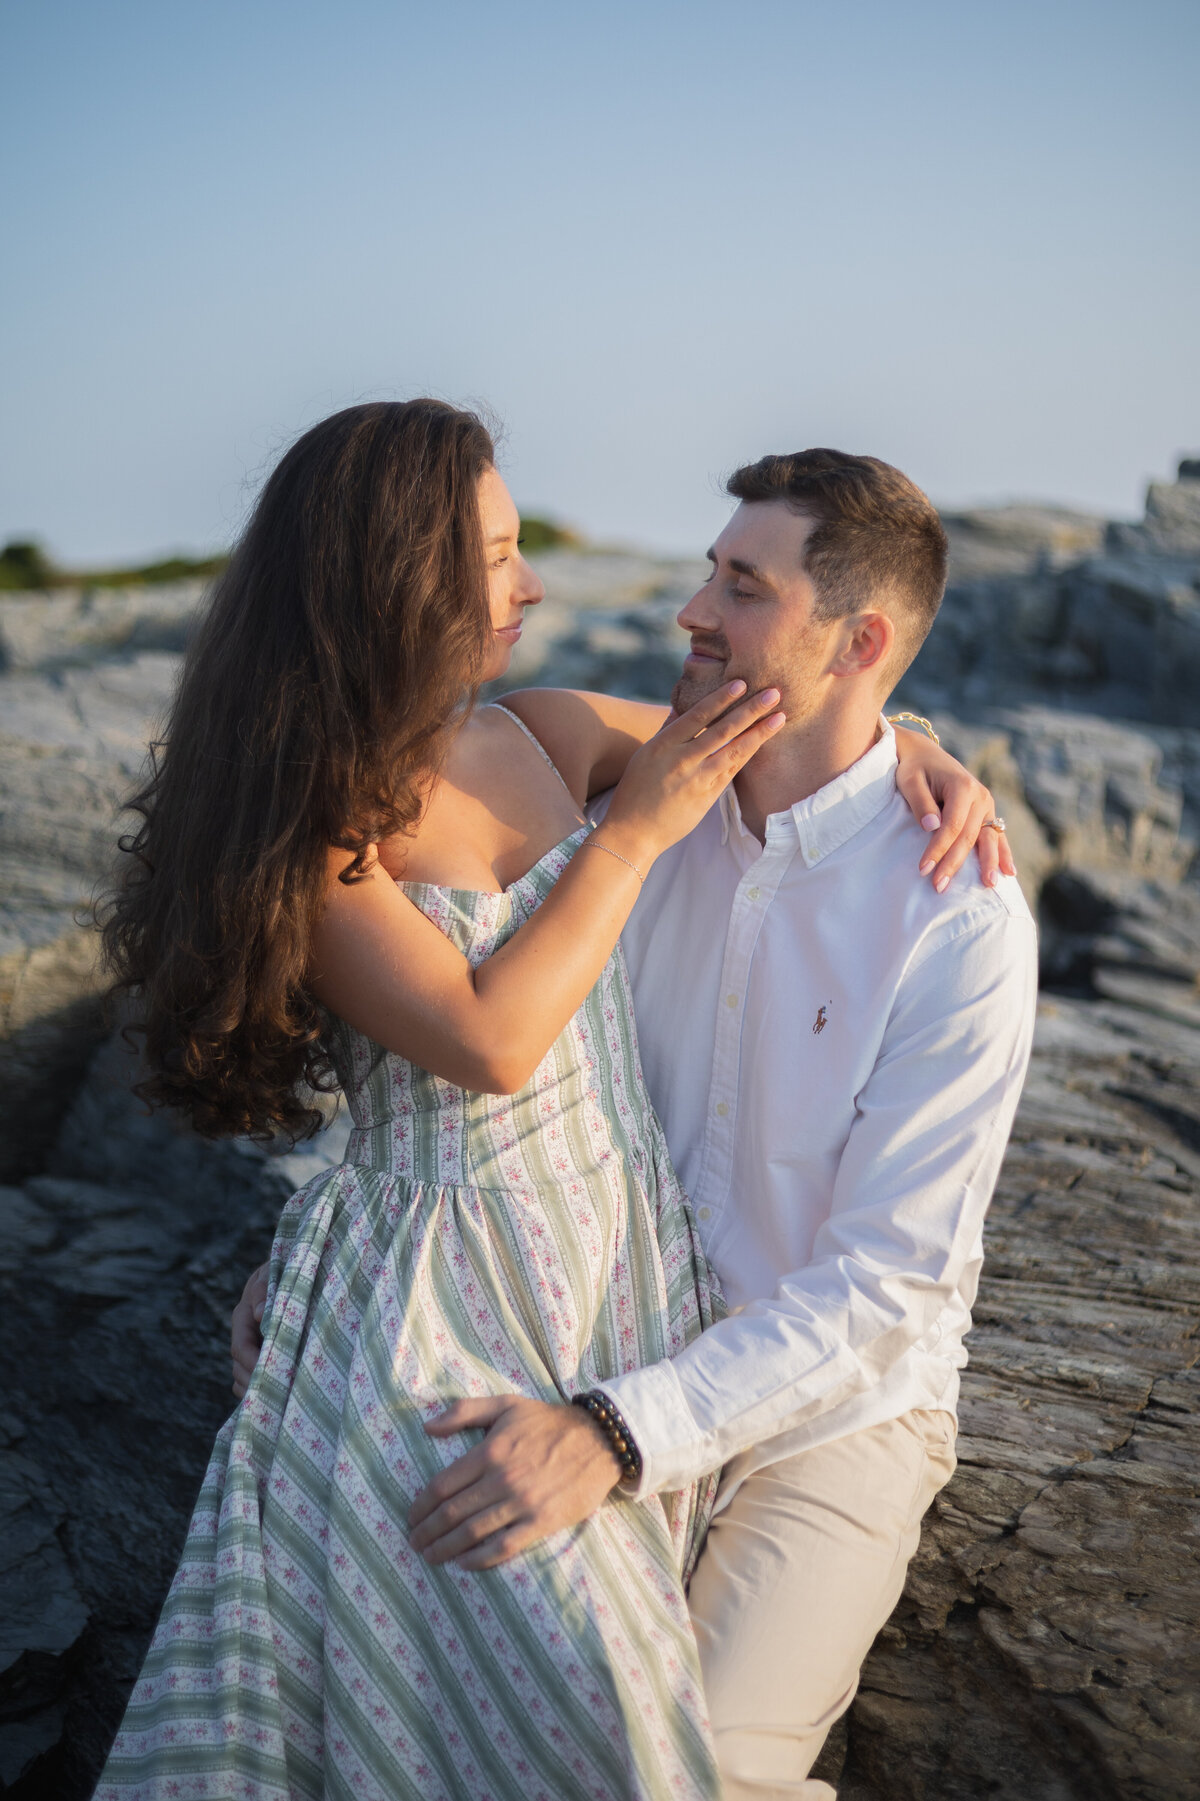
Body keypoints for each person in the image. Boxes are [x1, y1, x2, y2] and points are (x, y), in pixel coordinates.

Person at [96, 403, 994, 1801]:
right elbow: (488, 1040)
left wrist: (922, 740)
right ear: (391, 577)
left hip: (617, 1291)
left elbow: (791, 730)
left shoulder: (545, 730)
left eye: (523, 549)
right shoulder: (321, 828)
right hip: (450, 1293)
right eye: (499, 554)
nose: (532, 585)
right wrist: (632, 837)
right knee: (538, 1695)